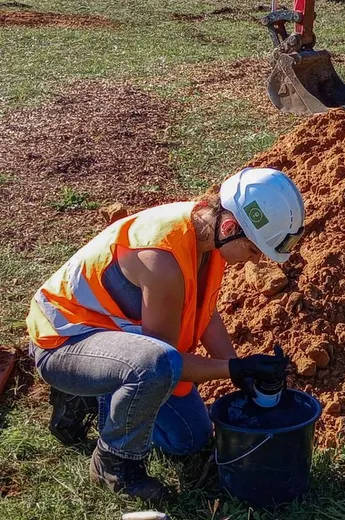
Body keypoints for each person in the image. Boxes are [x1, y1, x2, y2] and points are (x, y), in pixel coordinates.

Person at [26, 167, 305, 501]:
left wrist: (238, 371)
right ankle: (114, 463)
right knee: (153, 366)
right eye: (254, 249)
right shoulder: (162, 259)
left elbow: (206, 313)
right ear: (230, 227)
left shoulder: (209, 240)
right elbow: (164, 362)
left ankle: (95, 392)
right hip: (63, 341)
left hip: (115, 339)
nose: (255, 259)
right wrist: (235, 368)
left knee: (188, 439)